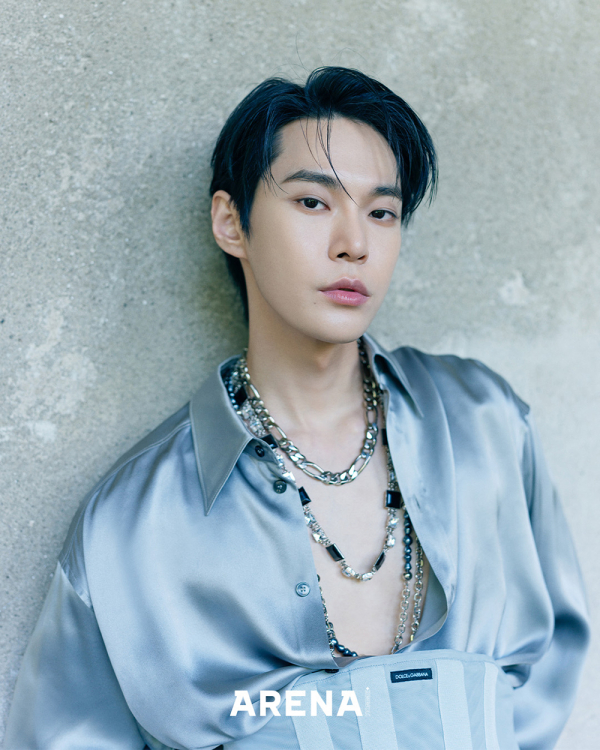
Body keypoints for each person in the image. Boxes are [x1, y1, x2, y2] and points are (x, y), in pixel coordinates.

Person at [4, 67, 589, 750]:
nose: (354, 243)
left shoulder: (486, 424)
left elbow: (545, 683)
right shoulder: (133, 523)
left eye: (382, 212)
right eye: (313, 202)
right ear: (232, 222)